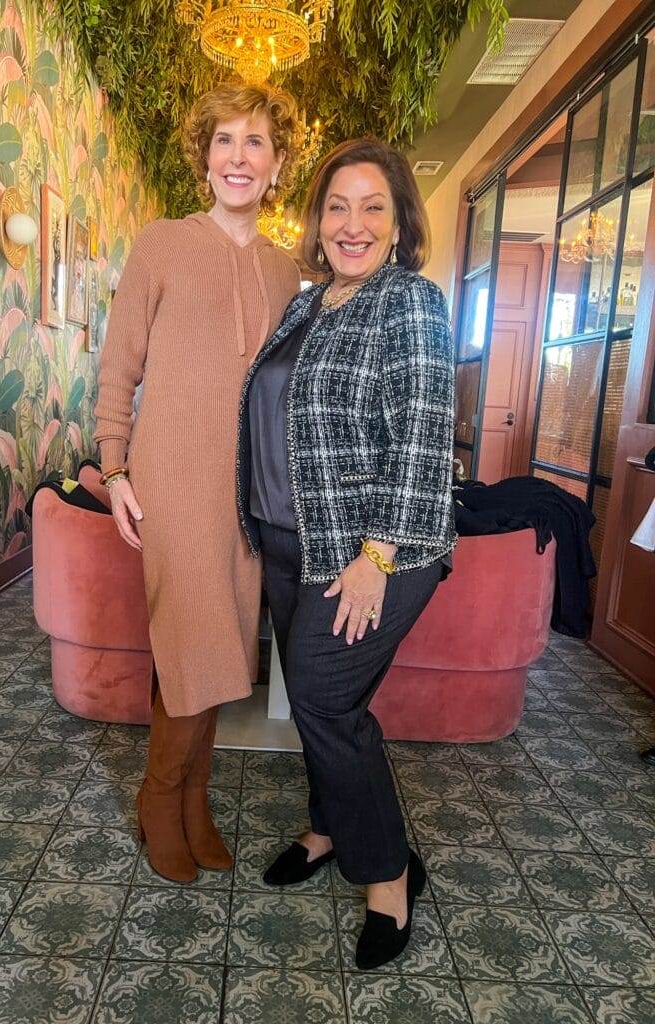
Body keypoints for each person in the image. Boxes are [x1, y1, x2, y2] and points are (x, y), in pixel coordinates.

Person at [237, 137, 456, 969]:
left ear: (399, 222)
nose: (352, 223)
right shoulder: (307, 304)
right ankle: (329, 828)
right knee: (315, 701)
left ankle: (389, 876)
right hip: (292, 541)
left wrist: (378, 554)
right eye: (337, 205)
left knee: (327, 704)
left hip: (374, 549)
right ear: (317, 220)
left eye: (373, 206)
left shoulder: (411, 302)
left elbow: (424, 440)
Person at [93, 83, 300, 883]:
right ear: (204, 157)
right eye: (224, 141)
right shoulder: (161, 244)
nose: (238, 157)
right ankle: (160, 795)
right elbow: (121, 365)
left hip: (249, 489)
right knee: (189, 637)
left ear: (277, 163)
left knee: (221, 647)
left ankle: (195, 796)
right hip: (173, 474)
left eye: (255, 142)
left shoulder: (287, 270)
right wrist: (114, 467)